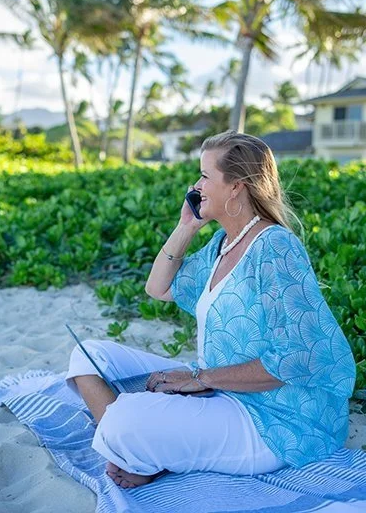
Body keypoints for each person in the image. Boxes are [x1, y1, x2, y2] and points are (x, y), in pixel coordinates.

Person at [66, 130, 356, 490]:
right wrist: (186, 227)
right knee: (89, 355)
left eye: (205, 175)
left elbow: (292, 360)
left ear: (236, 186)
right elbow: (158, 288)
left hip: (272, 418)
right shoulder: (223, 244)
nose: (196, 184)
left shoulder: (276, 248)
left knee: (126, 418)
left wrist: (200, 379)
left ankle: (136, 446)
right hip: (219, 390)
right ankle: (134, 445)